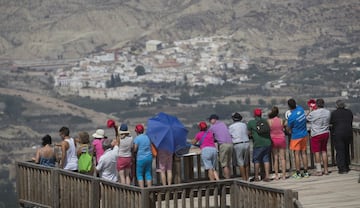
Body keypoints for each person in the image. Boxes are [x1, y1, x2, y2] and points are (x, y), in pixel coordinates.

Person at [306, 99, 331, 176]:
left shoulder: (313, 113)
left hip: (316, 134)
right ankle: (326, 170)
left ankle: (319, 170)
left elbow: (306, 119)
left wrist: (310, 110)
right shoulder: (328, 112)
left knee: (317, 152)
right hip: (325, 133)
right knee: (324, 151)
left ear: (316, 105)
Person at [287, 98, 309, 179]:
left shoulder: (291, 117)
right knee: (304, 153)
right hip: (304, 134)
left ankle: (298, 173)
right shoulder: (301, 109)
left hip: (296, 136)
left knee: (296, 155)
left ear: (289, 106)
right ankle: (306, 172)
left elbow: (288, 128)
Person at [247, 108, 272, 182]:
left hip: (258, 143)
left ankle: (256, 176)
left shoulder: (251, 122)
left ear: (254, 115)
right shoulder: (265, 121)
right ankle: (267, 176)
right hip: (267, 142)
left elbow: (248, 133)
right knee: (266, 159)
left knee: (256, 160)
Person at [330, 100, 353, 174]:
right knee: (346, 150)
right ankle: (347, 166)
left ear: (336, 106)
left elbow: (331, 122)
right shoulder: (349, 112)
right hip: (348, 133)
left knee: (340, 151)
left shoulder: (334, 113)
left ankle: (342, 169)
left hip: (338, 133)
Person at [208, 114, 233, 179]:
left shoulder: (212, 127)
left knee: (224, 164)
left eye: (210, 120)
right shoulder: (223, 124)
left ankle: (227, 179)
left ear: (213, 119)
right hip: (230, 144)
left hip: (223, 144)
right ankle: (229, 176)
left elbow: (210, 137)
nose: (210, 121)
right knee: (228, 162)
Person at [228, 112, 250, 181]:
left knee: (240, 162)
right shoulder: (244, 125)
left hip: (238, 144)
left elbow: (229, 135)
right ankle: (247, 177)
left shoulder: (231, 127)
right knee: (246, 162)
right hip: (246, 142)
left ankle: (243, 178)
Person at [268, 106, 287, 180]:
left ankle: (276, 175)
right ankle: (284, 175)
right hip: (281, 138)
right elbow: (285, 127)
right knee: (283, 158)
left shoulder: (269, 121)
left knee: (275, 158)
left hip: (273, 139)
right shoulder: (282, 120)